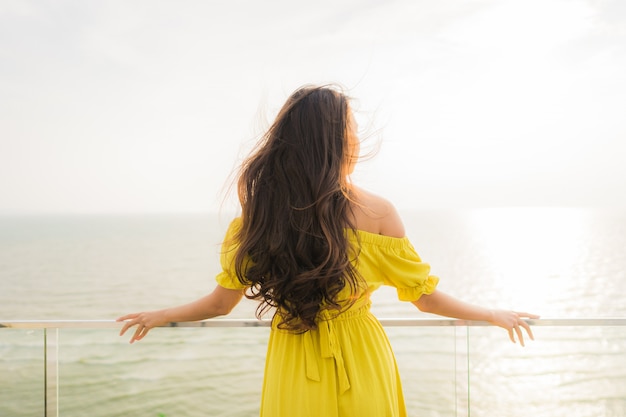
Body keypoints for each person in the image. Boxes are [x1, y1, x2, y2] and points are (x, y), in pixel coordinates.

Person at [118, 84, 538, 417]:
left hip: (293, 356)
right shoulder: (377, 212)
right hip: (363, 356)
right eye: (351, 125)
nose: (356, 134)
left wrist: (163, 315)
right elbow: (424, 298)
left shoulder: (258, 218)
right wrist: (489, 314)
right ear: (337, 139)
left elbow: (220, 303)